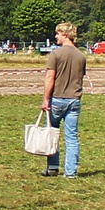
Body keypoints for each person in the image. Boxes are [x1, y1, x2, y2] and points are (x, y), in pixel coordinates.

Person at [40, 22, 86, 177]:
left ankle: (53, 167)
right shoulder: (81, 56)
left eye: (58, 33)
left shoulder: (56, 54)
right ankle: (71, 171)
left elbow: (50, 77)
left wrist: (46, 99)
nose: (56, 36)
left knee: (52, 134)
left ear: (65, 34)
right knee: (72, 137)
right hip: (74, 100)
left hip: (57, 99)